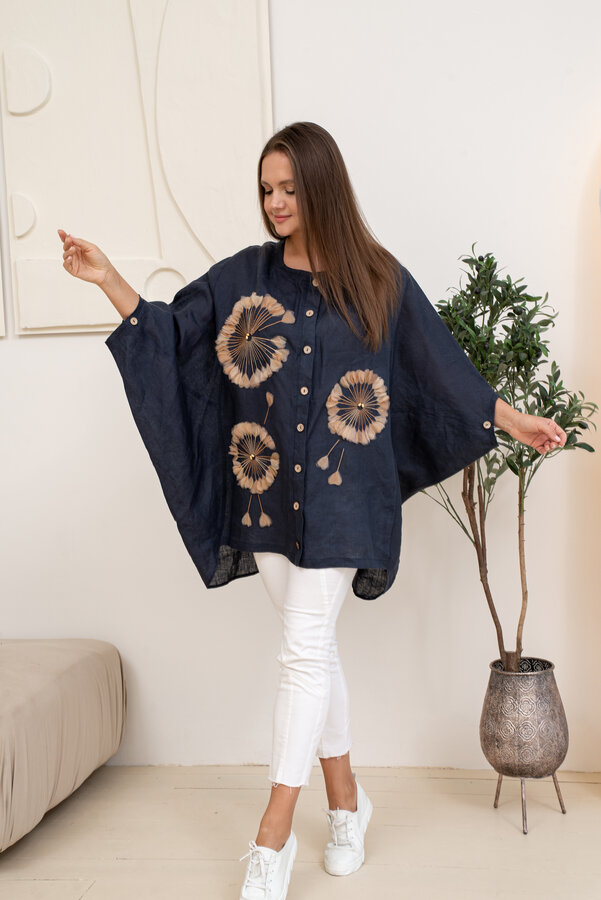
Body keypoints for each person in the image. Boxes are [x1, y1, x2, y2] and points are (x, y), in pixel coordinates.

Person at [58, 122, 566, 900]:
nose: (275, 202)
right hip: (262, 491)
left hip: (343, 501)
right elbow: (171, 334)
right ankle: (346, 803)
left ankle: (271, 835)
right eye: (266, 189)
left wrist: (511, 419)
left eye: (289, 188)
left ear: (321, 185)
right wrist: (108, 280)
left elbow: (440, 367)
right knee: (315, 653)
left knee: (300, 652)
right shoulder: (242, 277)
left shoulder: (378, 280)